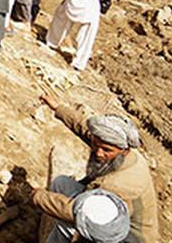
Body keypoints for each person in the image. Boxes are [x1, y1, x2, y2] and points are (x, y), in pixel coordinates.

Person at [34, 93, 159, 242]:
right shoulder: (121, 150)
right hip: (107, 215)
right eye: (95, 145)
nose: (99, 153)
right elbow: (86, 129)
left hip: (124, 238)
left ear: (123, 150)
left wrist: (37, 196)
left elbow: (77, 212)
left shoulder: (117, 184)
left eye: (106, 150)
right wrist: (58, 107)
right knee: (61, 184)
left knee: (66, 224)